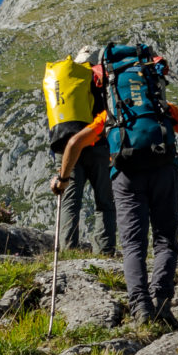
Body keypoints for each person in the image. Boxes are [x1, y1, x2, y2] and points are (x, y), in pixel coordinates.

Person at [50, 66, 178, 328]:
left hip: (126, 177)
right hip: (164, 173)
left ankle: (141, 308)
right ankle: (162, 304)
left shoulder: (111, 116)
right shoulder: (164, 110)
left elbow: (74, 144)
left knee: (133, 245)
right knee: (165, 241)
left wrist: (62, 180)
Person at [48, 46, 116, 256]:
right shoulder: (99, 77)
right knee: (104, 202)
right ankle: (103, 251)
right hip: (98, 144)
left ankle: (68, 250)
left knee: (70, 199)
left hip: (71, 146)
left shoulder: (66, 83)